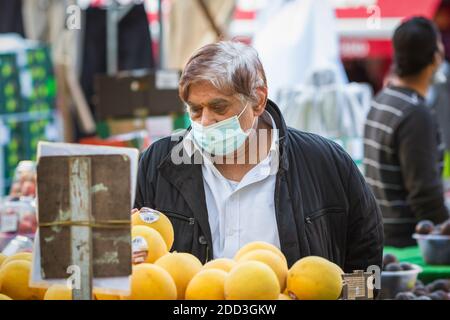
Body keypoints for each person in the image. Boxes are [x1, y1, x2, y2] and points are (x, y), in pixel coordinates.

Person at [135, 41, 383, 273]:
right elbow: (129, 245)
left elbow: (365, 249)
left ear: (258, 100)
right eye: (196, 109)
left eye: (219, 107)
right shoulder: (158, 164)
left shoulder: (325, 162)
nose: (206, 121)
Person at [364, 17, 449, 247]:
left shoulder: (382, 99)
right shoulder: (415, 113)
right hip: (411, 243)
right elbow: (425, 195)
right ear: (435, 58)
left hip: (382, 236)